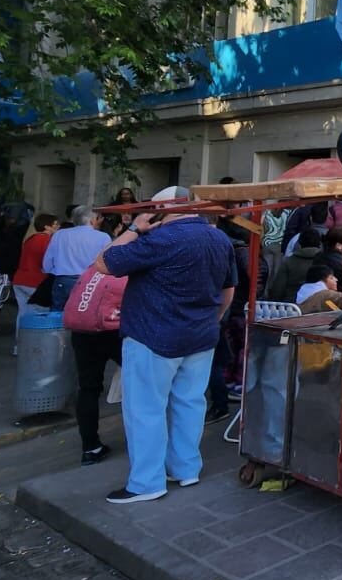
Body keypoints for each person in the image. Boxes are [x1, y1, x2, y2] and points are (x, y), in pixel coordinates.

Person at [96, 186, 238, 504]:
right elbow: (228, 290)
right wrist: (211, 320)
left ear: (162, 207)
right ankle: (186, 469)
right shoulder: (219, 238)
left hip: (153, 335)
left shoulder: (159, 239)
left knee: (146, 409)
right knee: (189, 403)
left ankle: (147, 483)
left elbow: (103, 263)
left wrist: (135, 227)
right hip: (200, 335)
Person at [43, 206, 113, 310]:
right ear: (92, 220)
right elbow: (109, 261)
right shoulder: (103, 237)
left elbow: (47, 262)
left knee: (57, 315)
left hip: (63, 279)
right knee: (85, 316)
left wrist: (51, 271)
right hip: (90, 282)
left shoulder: (60, 234)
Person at [13, 213, 59, 312]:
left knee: (23, 313)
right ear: (46, 226)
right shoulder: (47, 240)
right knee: (38, 314)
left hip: (20, 279)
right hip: (35, 281)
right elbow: (49, 262)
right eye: (55, 224)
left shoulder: (30, 239)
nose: (58, 226)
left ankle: (20, 328)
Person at [266, 228, 322, 303]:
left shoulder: (288, 262)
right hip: (319, 303)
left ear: (300, 242)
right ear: (319, 243)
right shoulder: (325, 261)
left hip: (291, 305)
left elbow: (278, 289)